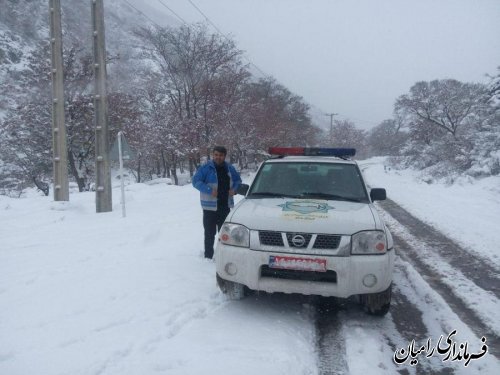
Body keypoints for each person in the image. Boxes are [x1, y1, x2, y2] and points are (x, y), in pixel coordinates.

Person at [192, 146, 242, 259]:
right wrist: (209, 190)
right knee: (209, 234)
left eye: (220, 155)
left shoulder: (229, 168)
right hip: (209, 207)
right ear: (213, 155)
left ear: (224, 156)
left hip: (225, 205)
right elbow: (195, 182)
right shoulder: (206, 168)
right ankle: (208, 257)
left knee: (224, 234)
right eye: (216, 155)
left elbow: (238, 180)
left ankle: (223, 256)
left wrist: (234, 189)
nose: (218, 157)